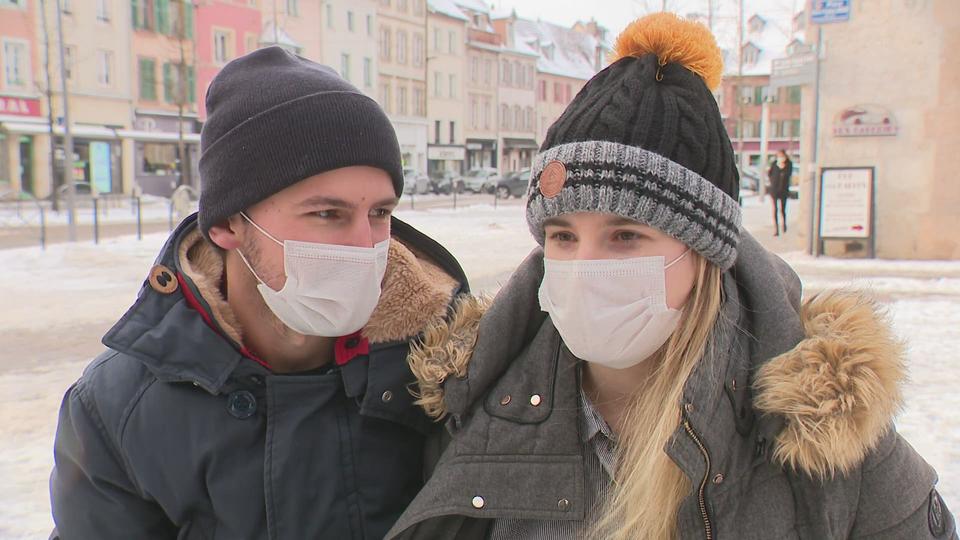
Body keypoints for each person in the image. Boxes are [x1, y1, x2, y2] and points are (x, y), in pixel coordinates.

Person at [385, 14, 955, 540]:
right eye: (562, 236)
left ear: (702, 255)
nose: (583, 267)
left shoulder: (825, 437)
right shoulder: (478, 403)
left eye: (625, 235)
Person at [49, 47, 468, 539]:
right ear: (228, 222)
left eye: (379, 213)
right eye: (327, 214)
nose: (366, 245)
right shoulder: (117, 408)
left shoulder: (446, 370)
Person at [768, 149, 793, 236]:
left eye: (781, 155)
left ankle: (784, 224)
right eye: (779, 155)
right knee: (775, 209)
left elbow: (789, 174)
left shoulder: (788, 163)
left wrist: (783, 169)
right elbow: (770, 173)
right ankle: (776, 229)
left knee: (783, 209)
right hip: (774, 189)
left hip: (784, 190)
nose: (780, 157)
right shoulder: (774, 163)